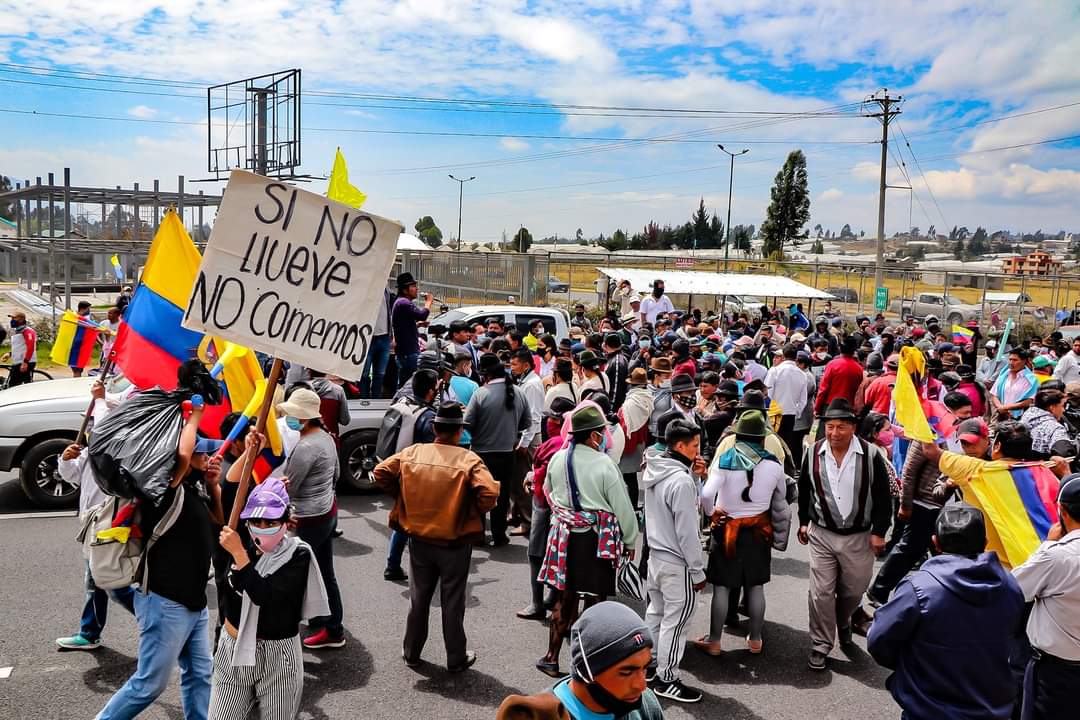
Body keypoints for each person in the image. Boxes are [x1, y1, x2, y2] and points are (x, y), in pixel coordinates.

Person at [96, 407, 223, 720]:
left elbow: (220, 526)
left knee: (199, 675)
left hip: (194, 604)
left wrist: (214, 487)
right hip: (166, 603)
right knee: (149, 684)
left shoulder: (194, 491)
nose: (207, 458)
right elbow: (181, 454)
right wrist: (194, 416)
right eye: (201, 453)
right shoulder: (162, 490)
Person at [374, 402, 500, 672]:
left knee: (419, 598)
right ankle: (455, 657)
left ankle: (411, 652)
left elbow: (381, 472)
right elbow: (489, 494)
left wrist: (403, 498)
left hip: (419, 539)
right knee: (452, 601)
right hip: (454, 542)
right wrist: (469, 510)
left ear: (434, 428)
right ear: (458, 432)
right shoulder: (469, 460)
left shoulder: (413, 452)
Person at [868, 504, 1025, 720]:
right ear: (985, 543)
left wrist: (909, 667)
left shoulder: (918, 588)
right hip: (993, 708)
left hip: (928, 708)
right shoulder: (1010, 584)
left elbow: (879, 641)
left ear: (935, 543)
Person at [209, 478, 329, 720]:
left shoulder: (298, 554)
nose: (263, 527)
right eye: (256, 521)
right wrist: (251, 448)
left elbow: (265, 594)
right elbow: (232, 486)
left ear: (286, 522)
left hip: (278, 656)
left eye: (272, 522)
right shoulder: (234, 543)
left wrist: (240, 557)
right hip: (232, 650)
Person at [536, 405, 639, 678]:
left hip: (563, 536)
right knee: (595, 602)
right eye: (603, 432)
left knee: (563, 599)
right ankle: (587, 664)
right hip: (595, 538)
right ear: (594, 436)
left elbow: (548, 490)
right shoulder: (604, 464)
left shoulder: (558, 459)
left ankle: (550, 658)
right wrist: (630, 539)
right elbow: (622, 507)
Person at [797, 398, 892, 671]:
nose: (834, 433)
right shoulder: (812, 453)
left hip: (859, 536)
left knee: (854, 589)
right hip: (822, 534)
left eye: (841, 427)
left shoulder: (872, 455)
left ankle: (846, 619)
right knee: (821, 592)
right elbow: (805, 490)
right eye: (829, 427)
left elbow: (884, 498)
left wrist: (879, 532)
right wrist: (804, 521)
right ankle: (820, 644)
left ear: (853, 427)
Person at [695, 411, 790, 657]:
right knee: (755, 586)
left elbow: (706, 494)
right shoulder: (773, 465)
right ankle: (756, 639)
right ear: (762, 438)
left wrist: (712, 512)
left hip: (727, 529)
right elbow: (781, 495)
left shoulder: (725, 460)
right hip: (759, 531)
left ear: (738, 436)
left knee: (722, 588)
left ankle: (715, 641)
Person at [55, 381, 135, 651]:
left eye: (94, 424)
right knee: (98, 581)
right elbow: (71, 477)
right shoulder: (89, 453)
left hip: (108, 526)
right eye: (87, 425)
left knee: (105, 582)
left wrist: (100, 400)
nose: (89, 429)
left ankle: (152, 619)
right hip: (90, 525)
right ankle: (90, 632)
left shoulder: (115, 453)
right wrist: (65, 460)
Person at [497, 602, 664, 720]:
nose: (641, 685)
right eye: (627, 672)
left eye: (645, 668)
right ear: (587, 672)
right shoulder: (544, 715)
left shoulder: (646, 704)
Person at [641, 420, 707, 703]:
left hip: (655, 554)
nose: (698, 450)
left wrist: (695, 477)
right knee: (676, 622)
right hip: (676, 561)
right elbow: (688, 532)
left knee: (656, 614)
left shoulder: (656, 469)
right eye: (694, 446)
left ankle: (649, 666)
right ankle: (667, 679)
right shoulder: (680, 480)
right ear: (680, 446)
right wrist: (697, 569)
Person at [275, 388, 345, 650]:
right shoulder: (326, 438)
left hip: (310, 518)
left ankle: (327, 629)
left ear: (303, 418)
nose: (289, 418)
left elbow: (289, 487)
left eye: (292, 413)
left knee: (297, 576)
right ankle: (328, 622)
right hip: (327, 511)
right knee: (325, 573)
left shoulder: (306, 447)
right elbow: (336, 475)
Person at [1012, 474, 1080, 720]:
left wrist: (1046, 545)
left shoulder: (1056, 557)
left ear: (1061, 510)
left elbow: (1015, 588)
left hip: (1055, 673)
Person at [466, 353, 532, 547]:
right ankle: (499, 534)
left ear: (486, 375)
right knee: (501, 496)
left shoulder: (480, 393)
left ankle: (478, 534)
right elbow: (526, 422)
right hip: (507, 454)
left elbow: (468, 422)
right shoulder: (519, 392)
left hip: (481, 454)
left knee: (479, 493)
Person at [512, 348, 547, 534]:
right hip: (527, 436)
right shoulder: (526, 381)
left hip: (530, 438)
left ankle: (527, 522)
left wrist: (524, 443)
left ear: (526, 365)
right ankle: (520, 515)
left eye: (514, 364)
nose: (512, 368)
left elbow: (533, 417)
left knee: (526, 479)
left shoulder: (532, 384)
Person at [813, 337, 865, 436]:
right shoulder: (858, 369)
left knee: (824, 436)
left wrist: (817, 408)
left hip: (829, 406)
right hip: (848, 408)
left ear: (840, 348)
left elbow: (823, 389)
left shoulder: (833, 365)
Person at [765, 344, 807, 462]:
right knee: (786, 445)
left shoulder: (774, 371)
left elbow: (768, 393)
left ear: (783, 356)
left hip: (773, 414)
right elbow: (803, 400)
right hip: (790, 414)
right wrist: (796, 413)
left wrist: (768, 411)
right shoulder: (802, 375)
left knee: (772, 445)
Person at [619, 369, 654, 506]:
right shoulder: (647, 398)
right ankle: (633, 506)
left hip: (629, 442)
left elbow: (626, 426)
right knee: (632, 476)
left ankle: (631, 506)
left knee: (628, 477)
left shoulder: (631, 402)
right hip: (640, 441)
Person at [392, 272, 433, 388]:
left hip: (406, 352)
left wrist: (418, 325)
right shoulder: (404, 303)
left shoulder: (401, 303)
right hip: (408, 353)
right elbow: (422, 314)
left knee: (406, 383)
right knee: (408, 385)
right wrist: (428, 302)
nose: (416, 289)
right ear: (405, 290)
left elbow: (403, 327)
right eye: (413, 286)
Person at [1020, 388, 1076, 460]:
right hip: (1046, 469)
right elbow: (1065, 455)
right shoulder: (1056, 428)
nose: (1063, 410)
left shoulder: (1025, 418)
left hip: (1023, 468)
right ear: (1052, 408)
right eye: (1062, 406)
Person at [360, 284, 395, 398]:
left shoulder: (386, 289)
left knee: (380, 374)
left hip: (384, 337)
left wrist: (391, 335)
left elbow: (389, 312)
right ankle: (364, 402)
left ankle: (376, 401)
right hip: (367, 338)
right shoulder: (366, 286)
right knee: (364, 374)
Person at [991, 348, 1038, 419]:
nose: (1011, 363)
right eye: (1010, 359)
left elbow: (1030, 400)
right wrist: (1000, 408)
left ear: (1024, 361)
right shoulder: (1003, 376)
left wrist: (1006, 407)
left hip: (1020, 418)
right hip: (1002, 416)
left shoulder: (1031, 380)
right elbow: (994, 395)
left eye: (1015, 360)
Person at [7, 311, 37, 387]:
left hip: (25, 362)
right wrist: (10, 354)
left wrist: (25, 362)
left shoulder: (28, 331)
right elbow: (19, 346)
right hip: (18, 362)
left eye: (14, 318)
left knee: (14, 387)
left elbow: (30, 347)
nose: (12, 320)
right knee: (18, 386)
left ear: (21, 319)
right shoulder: (16, 331)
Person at [603, 333, 630, 411]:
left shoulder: (617, 361)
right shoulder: (612, 358)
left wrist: (612, 408)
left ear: (605, 345)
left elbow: (616, 387)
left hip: (615, 407)